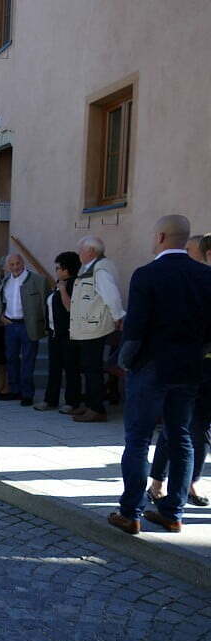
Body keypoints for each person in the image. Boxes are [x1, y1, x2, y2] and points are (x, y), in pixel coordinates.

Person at [108, 215, 211, 535]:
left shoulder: (147, 274)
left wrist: (125, 361)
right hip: (189, 367)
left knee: (138, 439)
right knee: (181, 437)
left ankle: (131, 512)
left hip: (151, 365)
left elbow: (135, 328)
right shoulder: (205, 275)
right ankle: (173, 512)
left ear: (162, 236)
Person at [148, 233, 211, 508]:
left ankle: (190, 481)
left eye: (191, 251)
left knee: (200, 428)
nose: (186, 255)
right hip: (187, 364)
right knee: (178, 425)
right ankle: (159, 482)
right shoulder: (187, 280)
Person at [70, 235, 125, 423]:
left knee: (92, 368)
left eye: (81, 251)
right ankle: (91, 404)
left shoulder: (100, 270)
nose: (79, 254)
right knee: (88, 366)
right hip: (87, 327)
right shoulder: (90, 268)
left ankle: (97, 409)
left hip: (95, 327)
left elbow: (111, 295)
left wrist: (118, 316)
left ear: (91, 251)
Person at [0, 254, 47, 406]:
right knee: (11, 359)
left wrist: (45, 325)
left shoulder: (37, 280)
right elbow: (0, 301)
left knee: (28, 360)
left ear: (23, 263)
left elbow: (44, 304)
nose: (15, 267)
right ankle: (14, 390)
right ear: (8, 266)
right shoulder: (6, 281)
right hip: (10, 325)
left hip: (28, 325)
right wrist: (1, 317)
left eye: (17, 263)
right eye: (12, 264)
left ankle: (27, 394)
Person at [35, 252, 82, 412]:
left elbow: (70, 308)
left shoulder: (74, 284)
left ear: (67, 269)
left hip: (68, 333)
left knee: (71, 368)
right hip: (54, 333)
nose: (56, 271)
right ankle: (50, 400)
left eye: (58, 268)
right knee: (54, 368)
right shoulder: (59, 283)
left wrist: (62, 290)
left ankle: (72, 402)